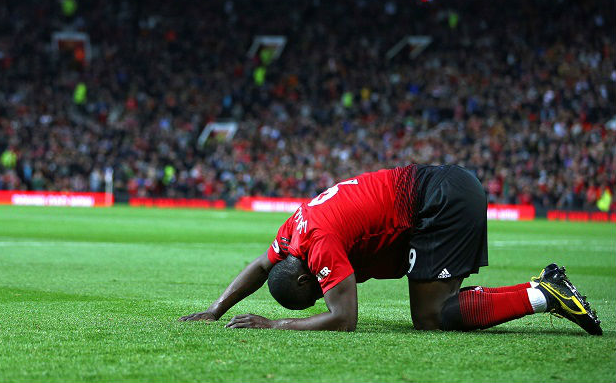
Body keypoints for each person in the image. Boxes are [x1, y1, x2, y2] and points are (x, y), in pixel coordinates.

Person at [180, 164, 602, 335]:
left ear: (308, 275)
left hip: (441, 200)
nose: (323, 296)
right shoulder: (295, 228)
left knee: (433, 316)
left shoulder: (321, 246)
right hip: (439, 191)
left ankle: (545, 293)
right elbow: (260, 265)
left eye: (316, 294)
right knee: (434, 311)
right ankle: (544, 290)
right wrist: (217, 308)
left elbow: (343, 319)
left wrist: (275, 326)